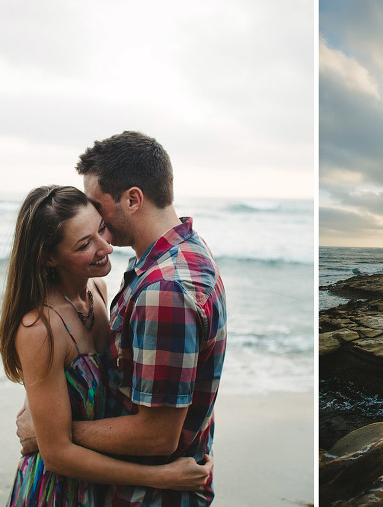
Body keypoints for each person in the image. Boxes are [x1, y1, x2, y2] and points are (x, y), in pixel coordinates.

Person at [17, 131, 227, 506]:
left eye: (98, 210)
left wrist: (50, 434)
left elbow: (158, 435)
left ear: (132, 199)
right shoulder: (185, 252)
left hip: (150, 496)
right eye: (85, 239)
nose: (103, 239)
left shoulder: (164, 290)